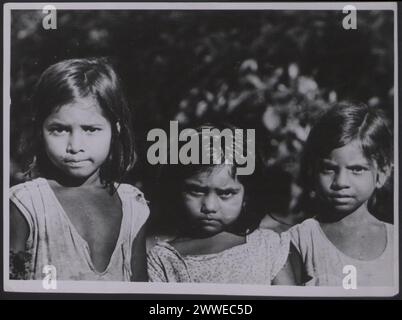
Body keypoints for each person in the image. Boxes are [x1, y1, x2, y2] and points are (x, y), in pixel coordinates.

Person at [10, 58, 149, 281]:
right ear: (40, 130)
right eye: (59, 130)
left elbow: (140, 289)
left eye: (91, 129)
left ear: (115, 130)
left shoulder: (133, 206)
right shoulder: (26, 204)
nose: (75, 146)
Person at [147, 123, 301, 284]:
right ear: (177, 189)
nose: (209, 206)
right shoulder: (163, 260)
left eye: (226, 193)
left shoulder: (268, 246)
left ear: (247, 194)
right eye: (196, 191)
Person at [289, 102, 394, 286]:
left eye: (357, 169)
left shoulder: (396, 240)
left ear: (382, 173)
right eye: (329, 169)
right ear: (313, 170)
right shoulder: (300, 241)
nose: (341, 183)